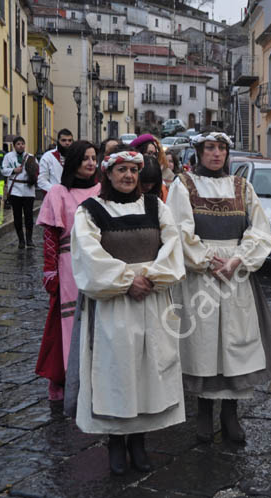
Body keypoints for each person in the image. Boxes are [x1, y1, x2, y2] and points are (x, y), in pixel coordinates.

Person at [68, 148, 186, 475]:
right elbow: (88, 254)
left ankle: (139, 440)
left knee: (148, 369)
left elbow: (172, 244)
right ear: (108, 174)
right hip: (113, 305)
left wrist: (149, 277)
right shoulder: (91, 211)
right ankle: (116, 443)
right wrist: (125, 281)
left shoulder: (155, 206)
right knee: (116, 371)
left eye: (133, 170)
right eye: (121, 170)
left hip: (150, 299)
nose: (128, 176)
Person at [166, 128, 271, 443]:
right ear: (199, 152)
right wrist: (205, 260)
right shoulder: (183, 185)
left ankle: (230, 415)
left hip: (235, 277)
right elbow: (178, 229)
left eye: (221, 149)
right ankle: (203, 413)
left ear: (227, 154)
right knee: (202, 343)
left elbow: (259, 229)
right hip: (200, 276)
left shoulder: (243, 187)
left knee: (234, 341)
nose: (216, 154)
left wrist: (238, 260)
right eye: (210, 148)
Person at [35, 141, 101, 401]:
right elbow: (50, 235)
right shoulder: (57, 193)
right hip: (68, 266)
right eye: (85, 158)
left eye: (94, 158)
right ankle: (66, 378)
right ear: (73, 161)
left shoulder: (102, 190)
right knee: (68, 324)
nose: (91, 163)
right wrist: (50, 270)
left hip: (98, 264)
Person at [1, 136, 37, 248]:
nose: (21, 146)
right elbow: (2, 169)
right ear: (14, 145)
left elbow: (37, 171)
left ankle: (29, 239)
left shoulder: (31, 157)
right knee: (17, 216)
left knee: (29, 216)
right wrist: (13, 170)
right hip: (15, 189)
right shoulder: (8, 157)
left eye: (22, 143)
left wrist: (33, 175)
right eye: (18, 144)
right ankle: (21, 240)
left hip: (28, 190)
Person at [38, 129, 74, 193]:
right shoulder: (48, 157)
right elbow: (41, 180)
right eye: (63, 140)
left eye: (70, 140)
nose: (67, 143)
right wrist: (56, 191)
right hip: (54, 196)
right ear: (58, 141)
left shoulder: (77, 156)